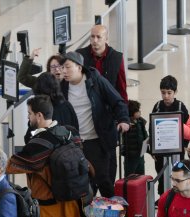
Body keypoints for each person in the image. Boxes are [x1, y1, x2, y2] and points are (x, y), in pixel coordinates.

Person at [60, 51, 129, 198]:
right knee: (81, 184)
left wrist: (123, 119)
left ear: (79, 67)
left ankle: (115, 216)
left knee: (103, 180)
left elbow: (117, 101)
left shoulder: (95, 81)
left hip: (97, 140)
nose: (64, 71)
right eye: (62, 68)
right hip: (75, 143)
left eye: (67, 67)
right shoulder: (62, 87)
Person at [151, 75, 190, 195]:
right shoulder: (157, 106)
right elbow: (151, 128)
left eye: (169, 92)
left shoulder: (180, 106)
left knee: (177, 172)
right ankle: (162, 196)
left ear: (175, 92)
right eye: (163, 93)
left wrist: (184, 145)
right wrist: (152, 149)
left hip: (177, 150)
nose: (166, 96)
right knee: (161, 173)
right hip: (160, 149)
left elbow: (187, 129)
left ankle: (177, 194)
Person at [76, 24, 128, 102]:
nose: (95, 40)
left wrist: (124, 108)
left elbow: (121, 87)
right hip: (86, 102)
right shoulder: (80, 55)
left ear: (106, 39)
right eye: (92, 36)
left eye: (98, 37)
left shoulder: (116, 57)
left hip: (108, 102)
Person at [122, 99, 148, 175]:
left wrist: (149, 149)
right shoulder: (126, 124)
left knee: (141, 176)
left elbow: (145, 135)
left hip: (140, 154)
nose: (140, 112)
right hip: (130, 157)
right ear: (132, 113)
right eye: (137, 111)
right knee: (130, 176)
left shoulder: (140, 122)